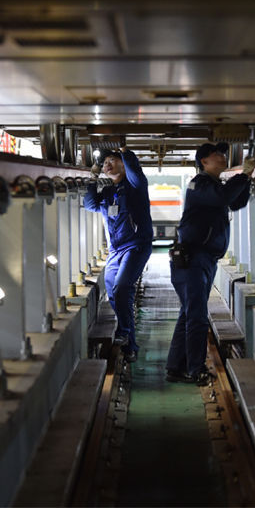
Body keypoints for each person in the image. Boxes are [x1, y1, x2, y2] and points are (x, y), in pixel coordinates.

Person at [166, 142, 255, 384]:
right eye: (217, 154)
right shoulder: (200, 184)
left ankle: (176, 367)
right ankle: (195, 370)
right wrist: (244, 174)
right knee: (196, 316)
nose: (223, 156)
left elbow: (235, 202)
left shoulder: (215, 186)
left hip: (204, 259)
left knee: (189, 314)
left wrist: (245, 182)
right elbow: (223, 197)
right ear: (204, 161)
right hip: (192, 259)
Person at [83, 147, 153, 362]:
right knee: (115, 292)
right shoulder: (108, 193)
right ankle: (130, 346)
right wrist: (92, 178)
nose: (107, 165)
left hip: (136, 245)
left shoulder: (135, 187)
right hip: (116, 250)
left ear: (124, 164)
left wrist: (126, 152)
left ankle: (123, 332)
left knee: (122, 287)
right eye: (105, 163)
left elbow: (136, 171)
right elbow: (90, 204)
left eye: (113, 160)